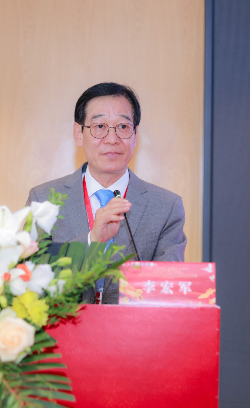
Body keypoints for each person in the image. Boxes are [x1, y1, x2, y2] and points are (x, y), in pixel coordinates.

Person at [26, 82, 187, 304]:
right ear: (79, 134)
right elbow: (32, 278)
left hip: (133, 326)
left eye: (123, 127)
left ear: (135, 135)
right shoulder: (43, 199)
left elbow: (167, 293)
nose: (112, 139)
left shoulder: (166, 207)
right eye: (100, 126)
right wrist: (92, 241)